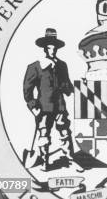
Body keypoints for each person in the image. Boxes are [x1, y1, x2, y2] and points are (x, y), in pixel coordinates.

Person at [22, 28, 75, 171]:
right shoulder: (35, 66)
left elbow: (67, 86)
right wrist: (33, 107)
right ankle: (44, 162)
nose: (52, 50)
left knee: (65, 132)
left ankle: (70, 159)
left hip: (60, 106)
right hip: (43, 107)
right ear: (45, 48)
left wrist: (74, 88)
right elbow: (27, 90)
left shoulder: (62, 65)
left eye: (54, 47)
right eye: (49, 47)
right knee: (44, 134)